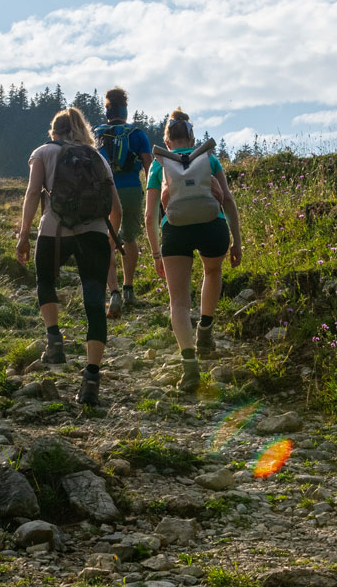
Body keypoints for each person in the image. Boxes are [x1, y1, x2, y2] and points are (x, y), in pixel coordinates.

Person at [16, 106, 123, 408]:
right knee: (93, 304)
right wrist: (109, 240)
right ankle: (91, 378)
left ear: (54, 130)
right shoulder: (98, 157)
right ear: (82, 130)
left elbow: (32, 192)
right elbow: (117, 208)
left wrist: (24, 234)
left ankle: (54, 339)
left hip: (54, 231)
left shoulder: (44, 152)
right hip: (95, 235)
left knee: (45, 281)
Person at [145, 109, 242, 395]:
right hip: (213, 226)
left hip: (175, 231)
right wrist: (237, 241)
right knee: (212, 271)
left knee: (179, 302)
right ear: (191, 135)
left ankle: (189, 368)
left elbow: (150, 213)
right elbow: (227, 199)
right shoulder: (208, 158)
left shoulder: (159, 163)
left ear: (167, 138)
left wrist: (155, 253)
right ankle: (205, 332)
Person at [93, 87, 154, 319]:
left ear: (108, 110)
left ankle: (114, 292)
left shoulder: (97, 132)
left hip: (107, 191)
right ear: (125, 109)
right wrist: (151, 192)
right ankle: (129, 288)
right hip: (131, 189)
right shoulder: (137, 134)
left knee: (107, 239)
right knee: (129, 237)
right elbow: (149, 165)